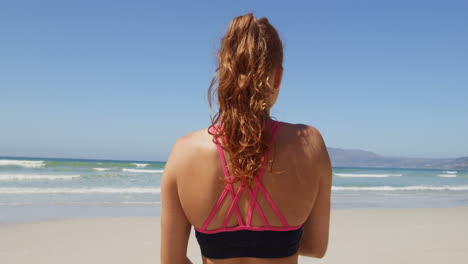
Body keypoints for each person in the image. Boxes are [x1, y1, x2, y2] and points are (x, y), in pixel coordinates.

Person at [161, 13, 332, 264]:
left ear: (224, 73)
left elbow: (171, 261)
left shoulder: (184, 152)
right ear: (277, 78)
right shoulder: (310, 144)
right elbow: (316, 247)